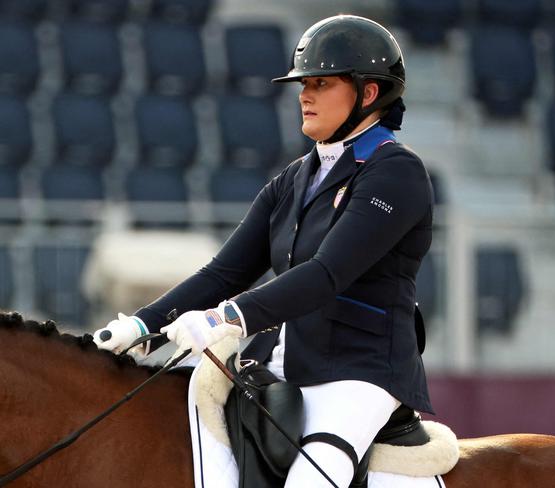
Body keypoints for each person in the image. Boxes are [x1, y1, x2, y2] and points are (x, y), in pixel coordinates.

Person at [94, 14, 434, 488]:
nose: (305, 95)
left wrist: (223, 319)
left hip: (359, 374)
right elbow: (224, 273)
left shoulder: (395, 172)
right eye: (303, 84)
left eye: (321, 83)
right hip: (279, 363)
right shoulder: (294, 179)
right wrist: (142, 324)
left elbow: (326, 275)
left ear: (369, 93)